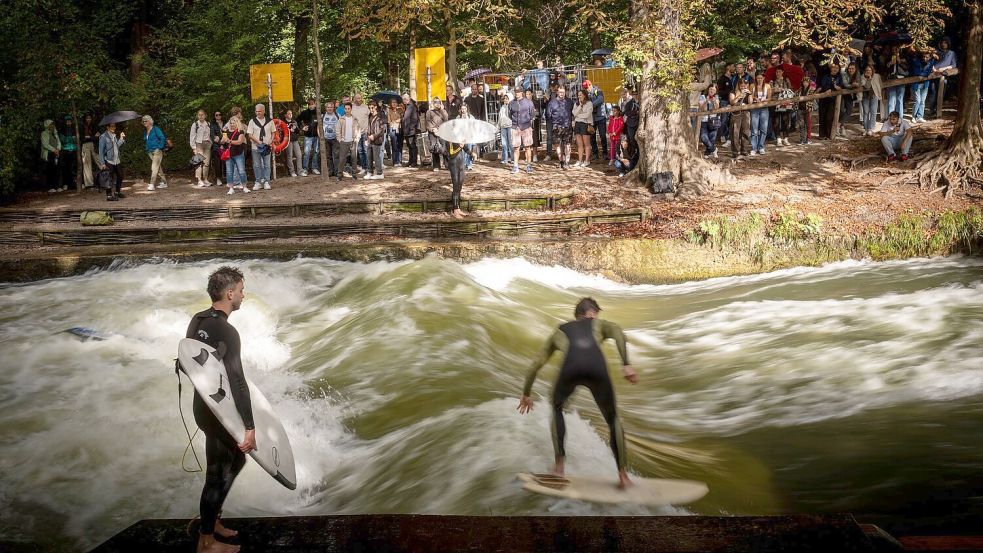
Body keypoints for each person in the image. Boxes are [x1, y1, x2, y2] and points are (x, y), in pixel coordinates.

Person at [517, 298, 638, 489]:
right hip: (597, 369)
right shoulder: (599, 324)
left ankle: (559, 469)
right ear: (592, 313)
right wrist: (626, 364)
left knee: (556, 407)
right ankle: (623, 477)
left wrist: (526, 393)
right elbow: (617, 332)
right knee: (613, 419)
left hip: (570, 370)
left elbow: (536, 363)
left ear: (577, 315)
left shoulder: (560, 330)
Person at [185, 266, 255, 553]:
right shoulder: (227, 330)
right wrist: (249, 426)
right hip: (218, 413)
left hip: (203, 407)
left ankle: (211, 521)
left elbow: (190, 362)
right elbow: (237, 381)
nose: (242, 295)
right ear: (229, 293)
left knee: (236, 462)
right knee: (216, 474)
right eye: (240, 290)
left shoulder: (197, 320)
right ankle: (206, 542)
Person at [246, 104, 274, 190]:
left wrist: (270, 140)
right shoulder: (252, 121)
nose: (257, 113)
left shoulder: (270, 121)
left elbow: (273, 132)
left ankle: (266, 182)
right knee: (257, 165)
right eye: (256, 111)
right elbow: (249, 134)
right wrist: (257, 141)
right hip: (256, 147)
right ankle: (258, 182)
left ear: (264, 111)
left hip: (266, 147)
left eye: (259, 111)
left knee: (267, 165)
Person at [547, 86, 574, 169]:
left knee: (567, 144)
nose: (561, 94)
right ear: (557, 92)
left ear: (565, 92)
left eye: (563, 92)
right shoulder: (552, 102)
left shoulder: (569, 101)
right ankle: (561, 161)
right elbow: (548, 115)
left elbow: (573, 112)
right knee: (557, 145)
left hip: (567, 126)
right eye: (560, 92)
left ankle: (567, 162)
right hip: (556, 126)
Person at [96, 122, 125, 201]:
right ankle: (109, 196)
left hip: (117, 160)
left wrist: (121, 139)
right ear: (107, 127)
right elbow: (101, 151)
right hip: (109, 160)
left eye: (114, 126)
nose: (114, 128)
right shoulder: (103, 137)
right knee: (109, 178)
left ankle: (117, 192)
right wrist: (102, 163)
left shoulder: (114, 136)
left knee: (120, 176)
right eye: (112, 126)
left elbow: (116, 146)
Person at [510, 91, 536, 174]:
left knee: (527, 147)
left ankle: (528, 165)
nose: (516, 93)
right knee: (516, 147)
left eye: (518, 92)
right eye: (515, 92)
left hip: (526, 126)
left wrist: (526, 121)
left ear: (522, 92)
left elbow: (532, 114)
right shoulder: (511, 103)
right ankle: (515, 166)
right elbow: (510, 114)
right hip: (515, 127)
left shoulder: (528, 102)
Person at [222, 117, 249, 195]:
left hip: (239, 154)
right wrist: (223, 140)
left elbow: (239, 142)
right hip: (229, 155)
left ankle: (244, 187)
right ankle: (231, 188)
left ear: (237, 123)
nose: (232, 124)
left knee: (241, 171)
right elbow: (222, 142)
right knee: (229, 172)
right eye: (231, 123)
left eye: (234, 123)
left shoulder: (241, 132)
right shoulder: (226, 132)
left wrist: (228, 140)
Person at [335, 102, 361, 181]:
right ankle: (339, 175)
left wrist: (357, 138)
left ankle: (354, 174)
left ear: (351, 109)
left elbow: (358, 129)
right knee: (342, 159)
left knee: (354, 158)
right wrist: (340, 139)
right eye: (345, 109)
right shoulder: (341, 119)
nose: (347, 110)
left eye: (348, 109)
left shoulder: (355, 119)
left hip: (353, 141)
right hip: (344, 141)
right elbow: (337, 130)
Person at [908, 50, 936, 123]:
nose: (925, 58)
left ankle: (920, 116)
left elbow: (927, 71)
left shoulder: (931, 62)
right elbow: (916, 72)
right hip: (916, 84)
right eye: (924, 56)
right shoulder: (916, 62)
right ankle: (913, 117)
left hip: (925, 84)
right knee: (917, 101)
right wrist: (925, 74)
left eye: (927, 57)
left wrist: (924, 75)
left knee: (922, 101)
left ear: (930, 57)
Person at [583, 80, 608, 162]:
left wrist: (590, 105)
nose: (587, 89)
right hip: (591, 118)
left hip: (600, 117)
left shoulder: (598, 90)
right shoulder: (585, 93)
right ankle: (595, 154)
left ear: (590, 85)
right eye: (585, 88)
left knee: (603, 136)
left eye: (587, 87)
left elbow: (600, 100)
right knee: (592, 137)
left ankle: (605, 154)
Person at [141, 115, 168, 191]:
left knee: (154, 167)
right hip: (150, 151)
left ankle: (152, 184)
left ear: (150, 121)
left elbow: (162, 138)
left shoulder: (156, 129)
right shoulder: (146, 131)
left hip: (157, 151)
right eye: (143, 121)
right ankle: (164, 182)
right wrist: (147, 149)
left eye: (146, 121)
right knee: (157, 167)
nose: (144, 122)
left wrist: (159, 147)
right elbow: (146, 141)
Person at [816, 62, 841, 140]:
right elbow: (823, 85)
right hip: (823, 99)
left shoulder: (839, 77)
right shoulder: (826, 76)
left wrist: (838, 88)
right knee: (822, 116)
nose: (835, 69)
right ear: (831, 68)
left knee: (829, 117)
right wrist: (830, 88)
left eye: (837, 68)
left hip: (832, 100)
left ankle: (828, 134)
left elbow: (841, 86)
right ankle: (822, 135)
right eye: (834, 67)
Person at [882, 45, 908, 120]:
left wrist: (899, 61)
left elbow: (906, 68)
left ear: (898, 50)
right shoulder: (888, 58)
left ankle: (900, 117)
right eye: (892, 49)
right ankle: (891, 117)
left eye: (895, 49)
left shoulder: (903, 58)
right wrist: (889, 63)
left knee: (900, 99)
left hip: (901, 79)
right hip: (891, 79)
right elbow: (884, 69)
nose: (894, 51)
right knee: (891, 99)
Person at [770, 67, 794, 146]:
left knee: (785, 121)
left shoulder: (786, 81)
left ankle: (786, 138)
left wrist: (784, 89)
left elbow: (791, 90)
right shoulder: (772, 81)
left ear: (782, 72)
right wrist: (775, 90)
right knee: (776, 122)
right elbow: (769, 91)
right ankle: (778, 139)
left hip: (785, 103)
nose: (778, 73)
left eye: (779, 72)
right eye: (777, 72)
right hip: (775, 103)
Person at [729, 80, 753, 157]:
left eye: (744, 86)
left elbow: (750, 102)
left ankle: (744, 150)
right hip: (736, 114)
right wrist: (739, 96)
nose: (743, 87)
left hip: (746, 113)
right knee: (735, 133)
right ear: (738, 85)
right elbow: (732, 102)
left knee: (746, 132)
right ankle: (735, 152)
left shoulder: (748, 92)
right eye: (741, 86)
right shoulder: (733, 92)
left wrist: (749, 94)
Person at [749, 72, 771, 155]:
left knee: (764, 129)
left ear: (763, 78)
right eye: (758, 78)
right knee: (754, 129)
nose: (759, 80)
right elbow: (750, 96)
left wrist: (763, 100)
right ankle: (754, 148)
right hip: (754, 108)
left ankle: (761, 146)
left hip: (764, 108)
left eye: (761, 78)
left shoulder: (767, 86)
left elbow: (769, 98)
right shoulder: (752, 86)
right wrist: (755, 98)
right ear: (756, 78)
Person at [298, 98, 320, 176]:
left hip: (317, 136)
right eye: (309, 104)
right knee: (307, 153)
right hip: (308, 136)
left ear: (315, 104)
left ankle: (314, 168)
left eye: (312, 104)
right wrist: (302, 127)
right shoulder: (304, 112)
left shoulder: (318, 112)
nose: (311, 105)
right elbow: (297, 120)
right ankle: (305, 169)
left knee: (316, 152)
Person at [190, 110, 213, 187]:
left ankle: (205, 179)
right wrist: (194, 148)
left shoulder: (208, 124)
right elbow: (192, 137)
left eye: (202, 115)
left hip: (207, 144)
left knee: (206, 163)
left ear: (205, 115)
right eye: (199, 115)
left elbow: (211, 135)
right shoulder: (195, 124)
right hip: (198, 144)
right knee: (199, 163)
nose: (201, 116)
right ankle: (199, 180)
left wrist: (211, 143)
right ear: (197, 116)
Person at [697, 84, 721, 159]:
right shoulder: (702, 97)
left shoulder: (716, 97)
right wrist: (706, 101)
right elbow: (702, 109)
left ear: (716, 91)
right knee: (703, 137)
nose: (712, 91)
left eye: (714, 90)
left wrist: (714, 101)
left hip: (714, 119)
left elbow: (717, 108)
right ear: (708, 89)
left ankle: (707, 153)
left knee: (712, 138)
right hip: (704, 119)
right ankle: (714, 149)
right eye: (711, 89)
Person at [572, 89, 593, 167]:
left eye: (581, 94)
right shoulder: (576, 104)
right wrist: (580, 106)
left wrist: (578, 115)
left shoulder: (589, 103)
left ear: (585, 95)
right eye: (578, 95)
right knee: (579, 144)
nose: (579, 96)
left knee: (586, 144)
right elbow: (574, 113)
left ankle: (587, 160)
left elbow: (587, 115)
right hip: (577, 124)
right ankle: (580, 160)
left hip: (585, 124)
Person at [426, 97, 448, 171]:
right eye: (435, 102)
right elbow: (428, 122)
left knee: (444, 148)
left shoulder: (444, 111)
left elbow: (446, 120)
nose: (437, 103)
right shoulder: (429, 112)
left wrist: (442, 110)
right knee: (434, 148)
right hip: (432, 132)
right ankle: (436, 165)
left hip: (443, 131)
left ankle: (447, 164)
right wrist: (433, 129)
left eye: (438, 102)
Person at [447, 140, 467, 219]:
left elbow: (464, 147)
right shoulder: (449, 138)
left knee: (460, 185)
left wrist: (471, 153)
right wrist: (460, 147)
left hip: (461, 163)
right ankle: (455, 210)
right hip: (454, 164)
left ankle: (458, 208)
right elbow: (451, 153)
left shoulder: (459, 136)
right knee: (456, 186)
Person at [859, 65, 882, 135]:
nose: (868, 72)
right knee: (866, 112)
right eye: (867, 70)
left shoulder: (877, 76)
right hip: (865, 96)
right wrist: (869, 78)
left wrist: (880, 93)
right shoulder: (862, 77)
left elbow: (880, 85)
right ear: (865, 71)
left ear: (872, 70)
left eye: (870, 70)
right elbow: (866, 86)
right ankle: (866, 129)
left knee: (873, 112)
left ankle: (871, 129)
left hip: (874, 96)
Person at [366, 103, 386, 179]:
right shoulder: (370, 116)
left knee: (376, 156)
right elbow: (369, 127)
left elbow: (382, 129)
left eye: (372, 108)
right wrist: (367, 137)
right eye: (369, 108)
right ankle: (369, 172)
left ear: (375, 107)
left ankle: (379, 173)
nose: (371, 109)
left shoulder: (380, 116)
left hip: (377, 139)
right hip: (369, 139)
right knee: (369, 156)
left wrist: (374, 136)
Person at [41, 119, 62, 191]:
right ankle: (50, 187)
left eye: (52, 124)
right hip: (49, 154)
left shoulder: (55, 133)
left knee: (57, 169)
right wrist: (54, 150)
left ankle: (57, 186)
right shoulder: (44, 133)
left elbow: (59, 142)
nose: (52, 126)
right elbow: (45, 144)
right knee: (50, 170)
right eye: (50, 124)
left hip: (56, 153)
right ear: (47, 125)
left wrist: (58, 149)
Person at [80, 115, 100, 188]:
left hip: (94, 145)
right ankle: (89, 184)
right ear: (85, 119)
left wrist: (88, 137)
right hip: (85, 145)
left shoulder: (94, 125)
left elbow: (97, 136)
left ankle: (106, 179)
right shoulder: (81, 126)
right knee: (87, 164)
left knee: (99, 161)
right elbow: (81, 138)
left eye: (89, 118)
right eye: (87, 118)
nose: (88, 119)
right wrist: (92, 137)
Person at [351, 94, 370, 173]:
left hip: (365, 131)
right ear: (354, 99)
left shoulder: (366, 107)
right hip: (356, 133)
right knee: (360, 150)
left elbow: (370, 118)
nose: (358, 99)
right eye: (356, 98)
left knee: (366, 150)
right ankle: (363, 167)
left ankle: (369, 168)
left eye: (359, 98)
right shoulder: (352, 107)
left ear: (361, 98)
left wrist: (369, 130)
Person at [59, 115, 79, 189]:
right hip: (65, 150)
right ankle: (65, 184)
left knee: (74, 168)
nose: (68, 123)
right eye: (67, 122)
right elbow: (62, 140)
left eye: (69, 121)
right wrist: (71, 138)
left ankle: (74, 185)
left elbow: (77, 140)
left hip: (74, 150)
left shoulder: (74, 129)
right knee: (66, 168)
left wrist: (70, 139)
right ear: (65, 122)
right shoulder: (62, 129)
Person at [796, 77, 817, 145]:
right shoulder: (800, 90)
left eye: (807, 82)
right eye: (804, 82)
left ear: (809, 83)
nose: (805, 84)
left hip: (808, 109)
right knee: (801, 125)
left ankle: (808, 139)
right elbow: (795, 96)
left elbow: (812, 98)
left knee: (808, 125)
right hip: (800, 109)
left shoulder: (811, 90)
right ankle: (802, 139)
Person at [457, 104, 477, 170]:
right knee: (462, 151)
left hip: (469, 136)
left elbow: (474, 126)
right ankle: (463, 164)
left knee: (469, 150)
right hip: (461, 136)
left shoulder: (471, 117)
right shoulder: (458, 117)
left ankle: (469, 165)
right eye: (462, 109)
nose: (463, 110)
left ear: (467, 109)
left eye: (464, 109)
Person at [401, 93, 419, 167]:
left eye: (405, 99)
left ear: (408, 98)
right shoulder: (408, 106)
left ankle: (414, 162)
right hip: (408, 129)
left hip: (410, 130)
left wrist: (411, 128)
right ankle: (410, 161)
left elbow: (409, 118)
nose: (404, 100)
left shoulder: (411, 106)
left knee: (412, 146)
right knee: (409, 146)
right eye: (403, 99)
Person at [322, 101, 340, 177]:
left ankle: (337, 171)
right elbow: (318, 127)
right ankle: (330, 171)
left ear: (333, 108)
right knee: (328, 156)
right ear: (326, 108)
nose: (329, 108)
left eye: (331, 107)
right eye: (328, 107)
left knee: (336, 155)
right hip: (326, 138)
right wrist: (321, 137)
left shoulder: (337, 115)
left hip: (335, 138)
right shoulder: (322, 116)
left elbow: (341, 126)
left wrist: (340, 136)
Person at [283, 109, 302, 178]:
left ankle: (300, 171)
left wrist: (295, 129)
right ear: (285, 115)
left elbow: (298, 131)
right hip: (288, 141)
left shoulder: (294, 121)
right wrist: (289, 130)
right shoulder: (283, 122)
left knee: (299, 155)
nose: (290, 115)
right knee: (289, 156)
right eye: (288, 113)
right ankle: (292, 171)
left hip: (295, 140)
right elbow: (281, 132)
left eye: (291, 113)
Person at [210, 111, 226, 186]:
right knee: (217, 163)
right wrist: (220, 142)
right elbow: (213, 136)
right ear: (214, 116)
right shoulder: (212, 125)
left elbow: (229, 133)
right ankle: (218, 178)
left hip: (226, 144)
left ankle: (226, 177)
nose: (218, 116)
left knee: (227, 161)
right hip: (216, 146)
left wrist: (220, 138)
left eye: (220, 114)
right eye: (216, 115)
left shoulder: (226, 123)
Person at [622, 88, 639, 153]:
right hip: (630, 123)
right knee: (631, 139)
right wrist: (636, 112)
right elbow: (627, 113)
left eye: (636, 94)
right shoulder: (629, 103)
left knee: (639, 139)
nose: (635, 95)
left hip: (638, 123)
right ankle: (633, 153)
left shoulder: (642, 103)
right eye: (633, 94)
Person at [387, 98, 403, 166]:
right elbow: (389, 121)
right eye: (392, 102)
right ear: (390, 103)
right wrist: (393, 122)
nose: (394, 103)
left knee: (400, 145)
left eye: (395, 102)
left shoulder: (400, 110)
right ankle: (395, 161)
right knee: (394, 145)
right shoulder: (389, 111)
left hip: (400, 128)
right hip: (392, 129)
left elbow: (403, 118)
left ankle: (399, 161)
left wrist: (397, 121)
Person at [498, 93, 513, 166]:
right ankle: (505, 158)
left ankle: (513, 158)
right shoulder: (502, 107)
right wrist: (498, 126)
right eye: (505, 99)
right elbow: (500, 118)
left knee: (511, 143)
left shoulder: (512, 106)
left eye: (507, 99)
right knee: (504, 143)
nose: (505, 100)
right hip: (503, 126)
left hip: (510, 126)